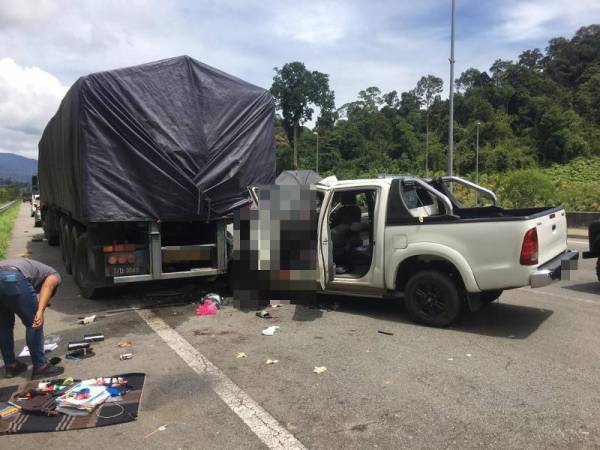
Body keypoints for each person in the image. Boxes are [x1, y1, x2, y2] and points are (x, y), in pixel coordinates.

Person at [0, 258, 64, 379]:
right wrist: (40, 311)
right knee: (34, 322)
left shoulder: (36, 270)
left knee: (4, 326)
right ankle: (41, 366)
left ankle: (11, 366)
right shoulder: (54, 275)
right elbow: (47, 288)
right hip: (12, 278)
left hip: (5, 275)